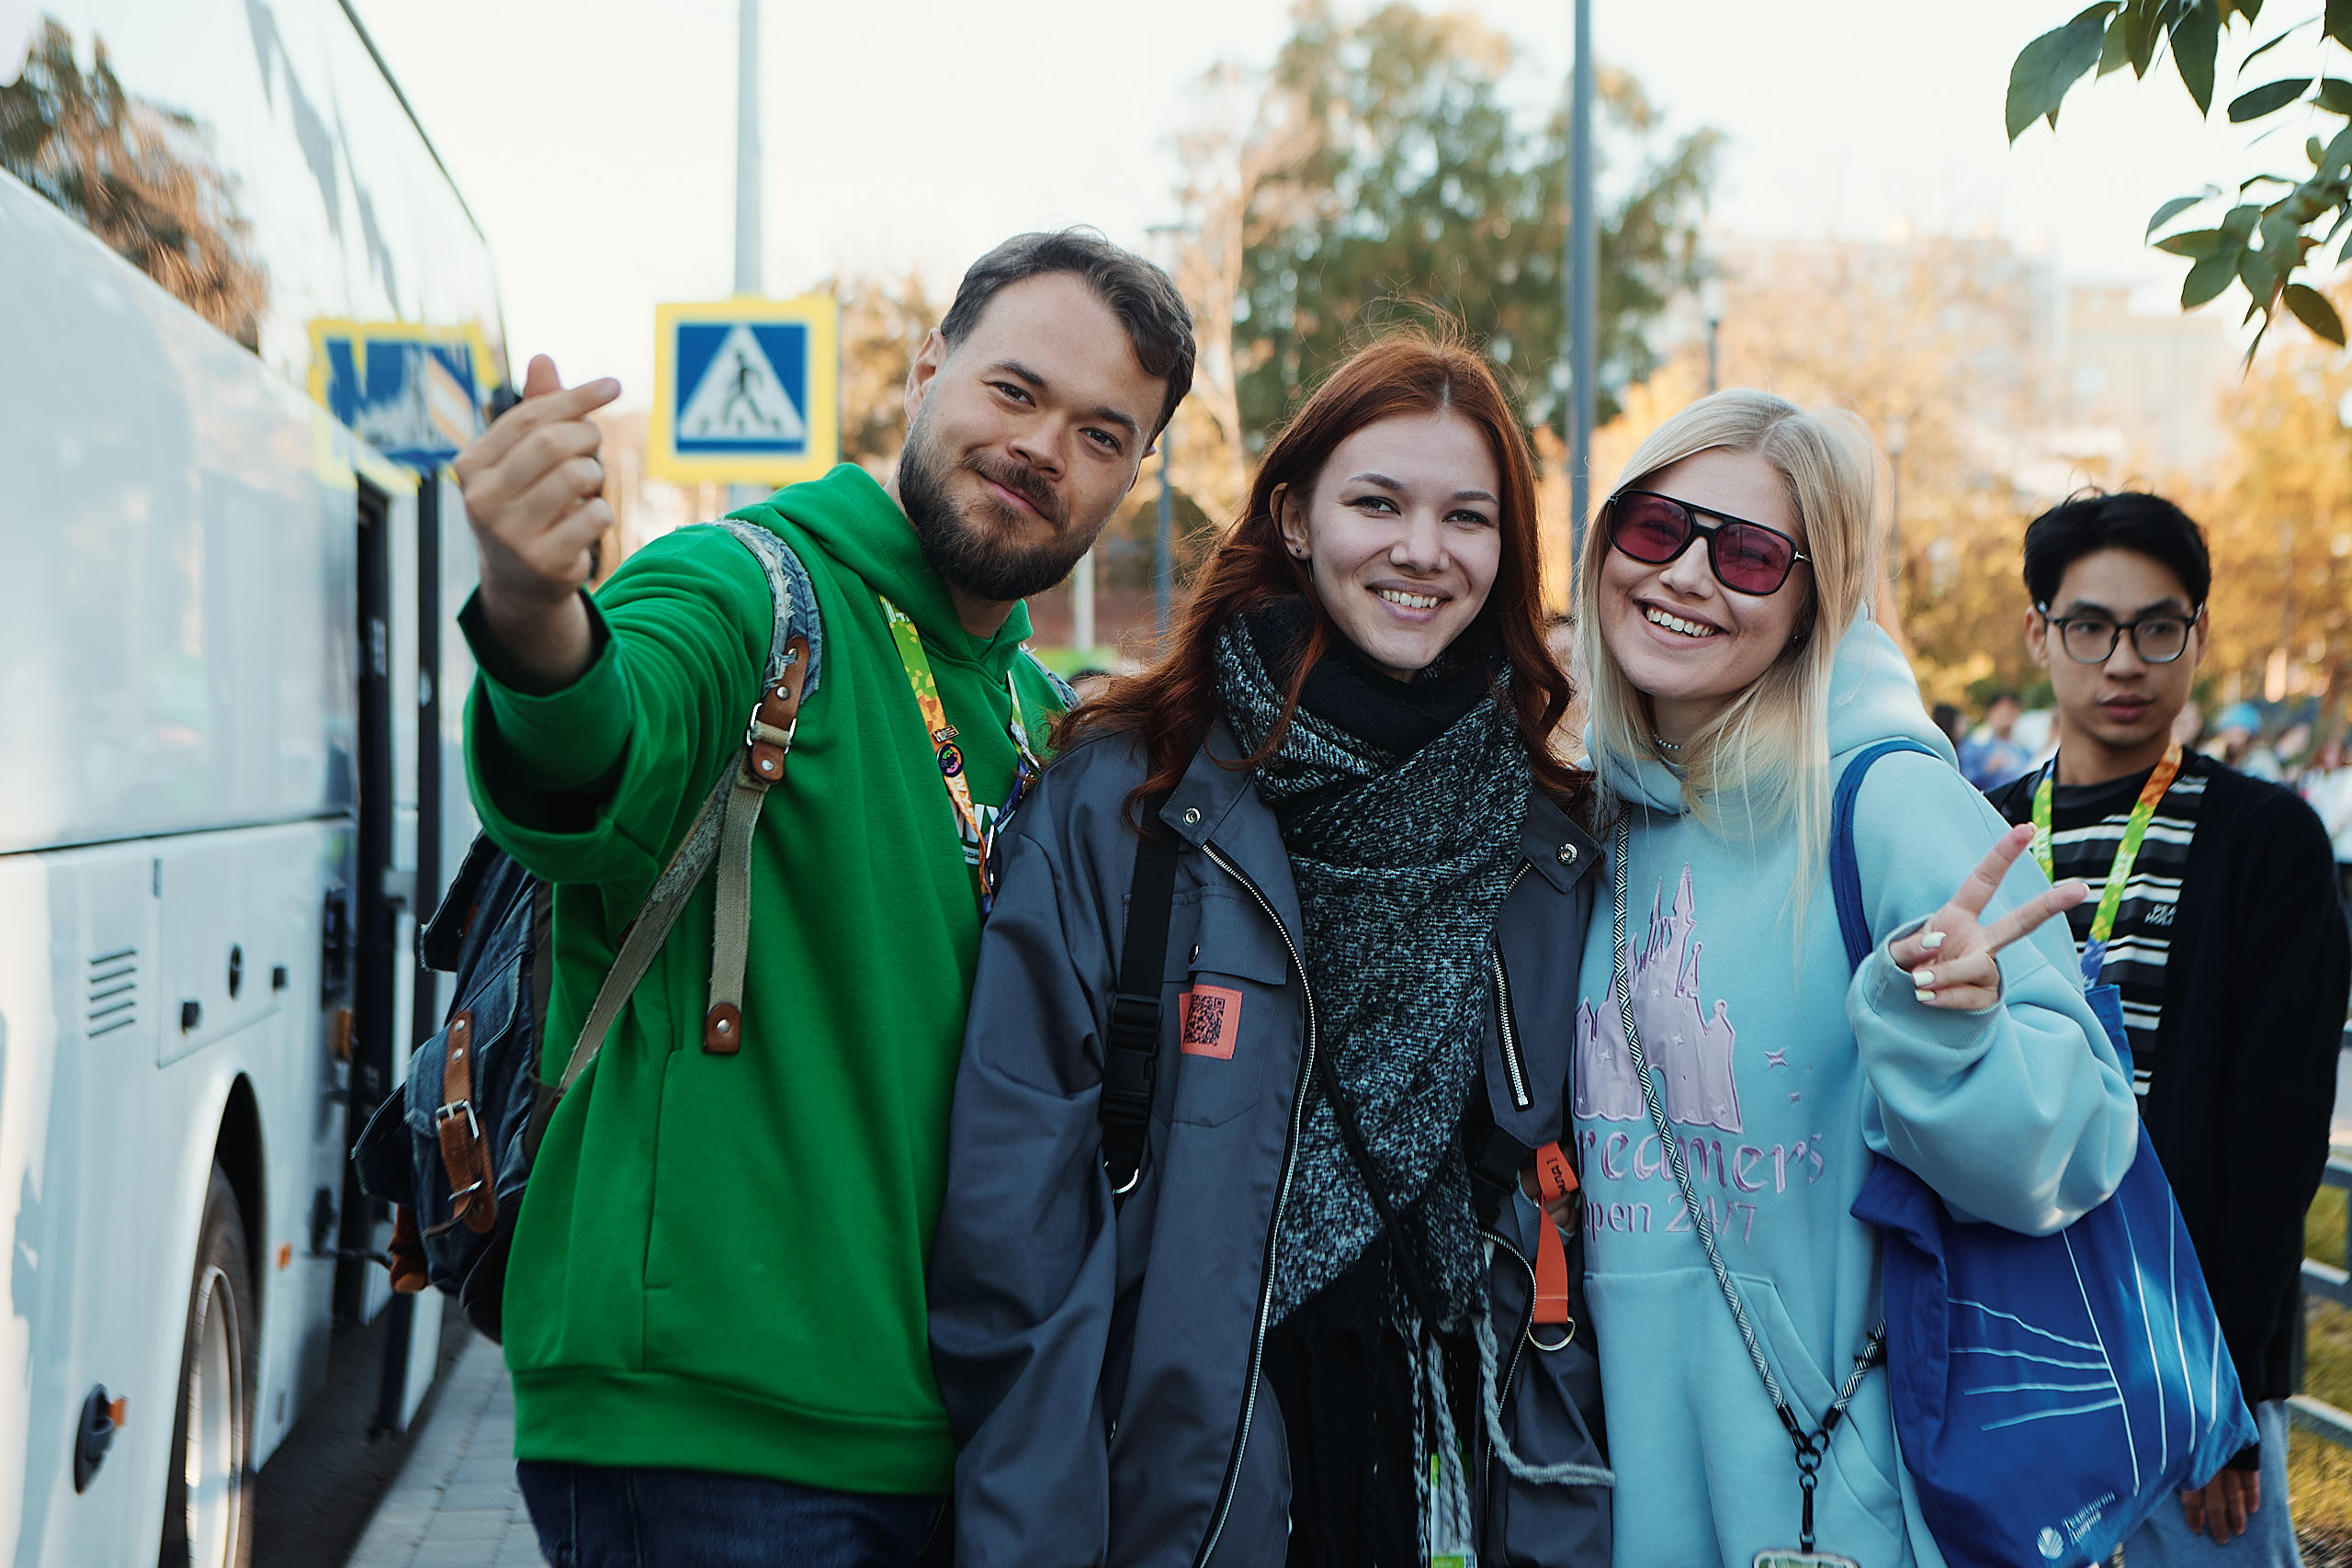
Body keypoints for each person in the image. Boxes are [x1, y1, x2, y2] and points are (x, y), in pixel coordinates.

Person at [447, 229, 1194, 1567]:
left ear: (1132, 475)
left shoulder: (1039, 718)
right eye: (1014, 390)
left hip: (961, 1443)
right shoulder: (746, 588)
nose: (1042, 448)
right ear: (925, 371)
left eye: (1100, 433)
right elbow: (591, 751)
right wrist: (527, 604)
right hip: (712, 1439)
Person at [929, 331, 1612, 1567]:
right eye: (1377, 503)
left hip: (1448, 1464)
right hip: (1177, 1479)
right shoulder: (1125, 798)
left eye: (1467, 516)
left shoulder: (1546, 836)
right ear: (1295, 518)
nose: (1422, 549)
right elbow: (1012, 1234)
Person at [1567, 389, 2136, 1564]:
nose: (1685, 574)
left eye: (1747, 555)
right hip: (1627, 1501)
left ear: (1811, 603)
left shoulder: (1884, 799)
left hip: (1851, 1504)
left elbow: (2076, 1144)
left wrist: (1954, 1034)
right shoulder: (1595, 818)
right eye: (1654, 527)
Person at [1984, 491, 2352, 1564]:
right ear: (2038, 634)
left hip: (2179, 1343)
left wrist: (2220, 1390)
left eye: (2157, 628)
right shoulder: (1984, 832)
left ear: (2197, 635)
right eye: (2088, 627)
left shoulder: (2264, 838)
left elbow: (2276, 1139)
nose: (2123, 662)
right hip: (2015, 1342)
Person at [1957, 688, 2030, 790]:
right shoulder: (1974, 744)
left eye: (2012, 711)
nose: (2007, 718)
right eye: (2002, 712)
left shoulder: (2023, 749)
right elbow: (1963, 781)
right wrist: (1987, 771)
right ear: (1990, 712)